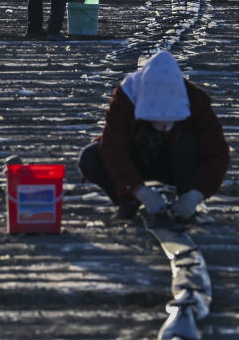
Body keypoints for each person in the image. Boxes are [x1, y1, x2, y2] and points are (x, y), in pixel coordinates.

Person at [78, 50, 230, 220]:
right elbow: (113, 149)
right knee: (90, 157)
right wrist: (140, 191)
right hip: (136, 159)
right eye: (157, 120)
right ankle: (128, 200)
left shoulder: (195, 100)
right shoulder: (126, 97)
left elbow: (217, 152)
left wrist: (197, 193)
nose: (164, 126)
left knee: (189, 141)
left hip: (176, 163)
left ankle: (185, 199)